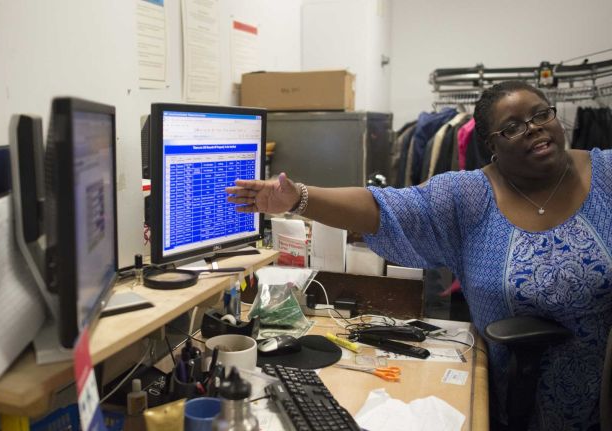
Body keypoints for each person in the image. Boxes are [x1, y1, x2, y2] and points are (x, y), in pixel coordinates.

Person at [226, 81, 611, 430]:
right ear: (491, 146)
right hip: (508, 397)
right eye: (512, 127)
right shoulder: (469, 197)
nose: (533, 128)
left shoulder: (606, 175)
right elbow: (387, 209)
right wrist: (298, 198)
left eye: (541, 114)